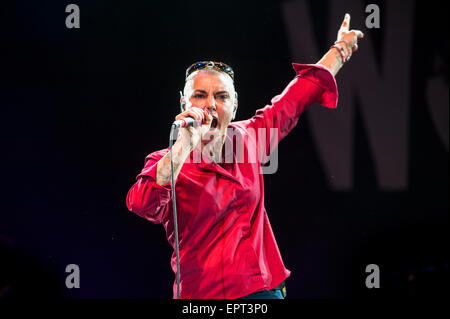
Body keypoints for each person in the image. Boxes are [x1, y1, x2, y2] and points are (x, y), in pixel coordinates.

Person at [126, 14, 364, 299]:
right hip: (203, 296)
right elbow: (142, 203)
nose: (211, 105)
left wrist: (341, 50)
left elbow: (298, 95)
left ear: (235, 104)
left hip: (263, 290)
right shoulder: (165, 160)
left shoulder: (251, 136)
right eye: (199, 95)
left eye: (222, 96)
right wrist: (182, 147)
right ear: (183, 103)